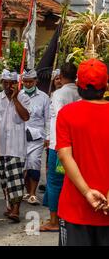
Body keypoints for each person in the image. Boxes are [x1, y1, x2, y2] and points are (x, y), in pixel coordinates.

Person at [56, 59, 109, 245]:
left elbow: (64, 155)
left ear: (78, 84)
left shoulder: (67, 114)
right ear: (106, 85)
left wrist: (87, 192)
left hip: (75, 207)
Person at [41, 63, 80, 232]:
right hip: (76, 144)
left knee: (55, 182)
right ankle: (69, 217)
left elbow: (61, 116)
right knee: (71, 181)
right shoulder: (81, 93)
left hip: (59, 145)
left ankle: (54, 220)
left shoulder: (59, 94)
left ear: (62, 76)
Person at [0, 70, 30, 223]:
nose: (8, 86)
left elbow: (26, 116)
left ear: (16, 84)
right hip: (2, 146)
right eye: (5, 83)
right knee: (5, 179)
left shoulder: (24, 98)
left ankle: (16, 209)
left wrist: (15, 99)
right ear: (2, 83)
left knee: (16, 179)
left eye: (11, 83)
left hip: (16, 146)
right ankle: (10, 206)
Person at [21, 70, 50, 205]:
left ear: (35, 81)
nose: (28, 84)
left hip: (37, 137)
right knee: (24, 165)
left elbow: (48, 118)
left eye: (30, 81)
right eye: (25, 81)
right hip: (20, 136)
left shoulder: (44, 97)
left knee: (34, 163)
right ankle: (27, 190)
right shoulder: (18, 96)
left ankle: (33, 193)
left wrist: (48, 136)